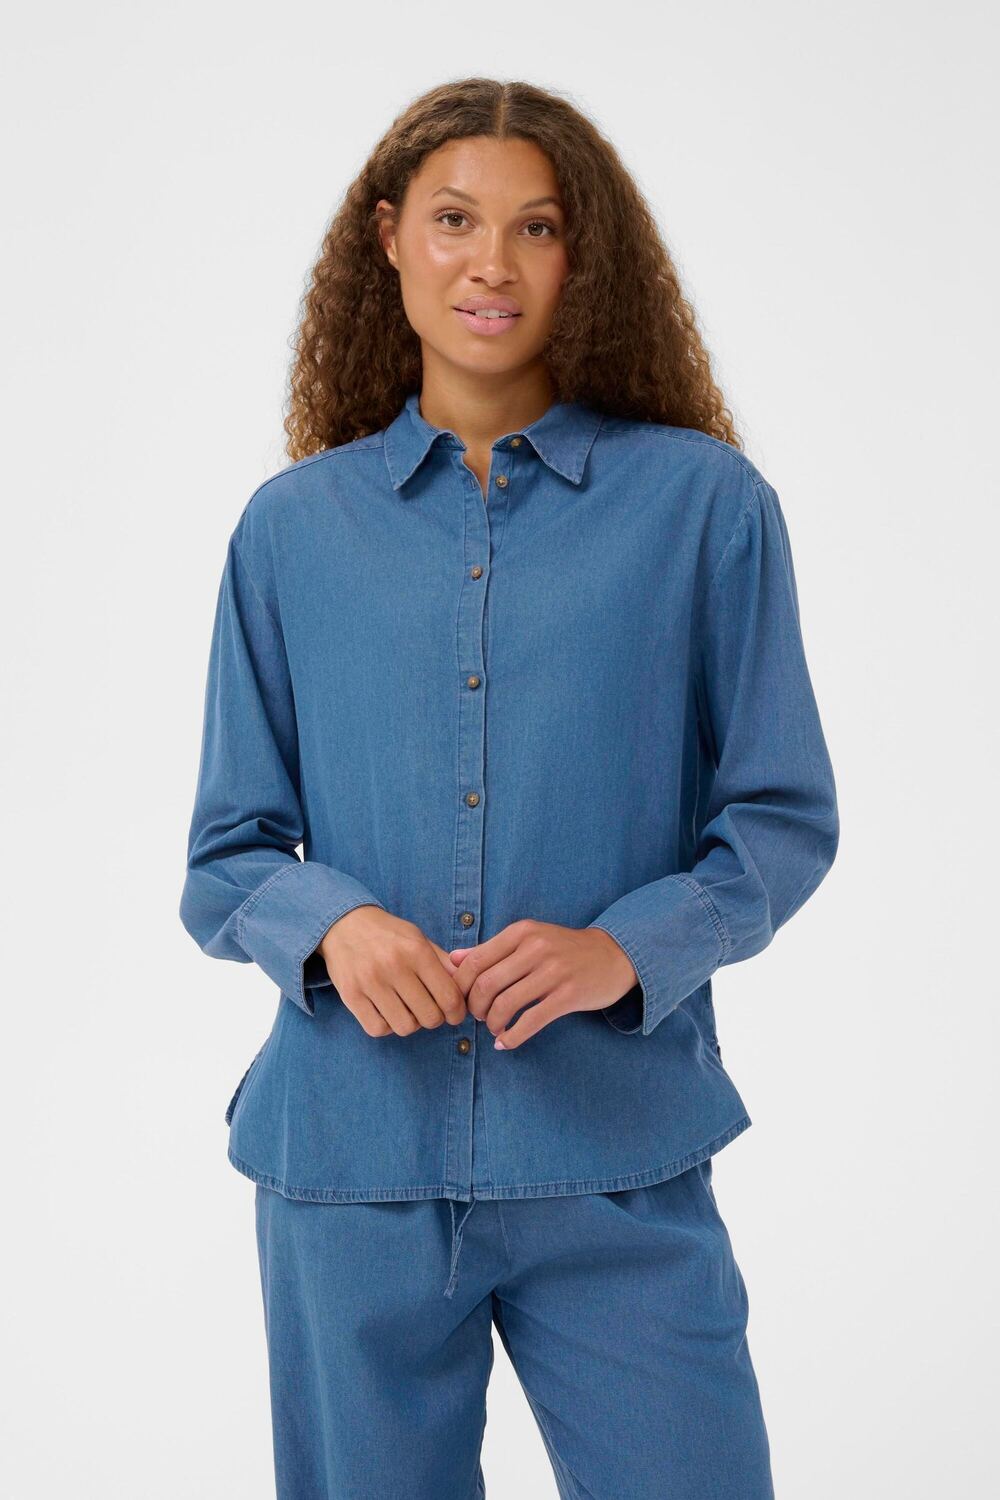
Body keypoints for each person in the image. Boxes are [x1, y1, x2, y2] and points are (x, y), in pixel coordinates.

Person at [179, 76, 839, 1500]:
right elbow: (226, 851)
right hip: (350, 1161)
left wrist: (624, 949)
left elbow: (780, 819)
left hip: (616, 1147)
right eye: (455, 220)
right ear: (388, 239)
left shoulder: (706, 507)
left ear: (583, 255)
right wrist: (333, 926)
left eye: (537, 226)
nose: (493, 262)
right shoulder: (290, 532)